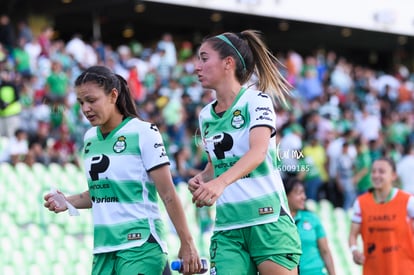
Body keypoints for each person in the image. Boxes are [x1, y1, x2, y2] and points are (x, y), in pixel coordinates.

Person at [44, 65, 202, 275]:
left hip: (140, 245)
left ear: (113, 95)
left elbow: (168, 193)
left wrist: (187, 242)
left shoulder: (143, 132)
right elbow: (101, 193)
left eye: (91, 100)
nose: (85, 108)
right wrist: (68, 201)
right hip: (103, 249)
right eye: (81, 102)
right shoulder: (89, 138)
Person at [188, 30, 302, 275]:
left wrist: (219, 183)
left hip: (268, 220)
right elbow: (216, 165)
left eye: (204, 58)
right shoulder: (205, 115)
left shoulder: (257, 101)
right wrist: (204, 178)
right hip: (228, 227)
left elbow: (258, 153)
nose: (197, 66)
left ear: (228, 63)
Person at [349, 157, 414, 275]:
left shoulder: (408, 201)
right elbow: (353, 235)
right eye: (373, 171)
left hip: (404, 270)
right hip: (373, 269)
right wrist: (354, 251)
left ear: (393, 176)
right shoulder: (361, 202)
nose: (376, 175)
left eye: (382, 171)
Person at [284, 178, 336, 275]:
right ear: (285, 196)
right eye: (298, 193)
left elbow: (325, 251)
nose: (304, 197)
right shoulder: (278, 222)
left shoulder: (311, 218)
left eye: (304, 193)